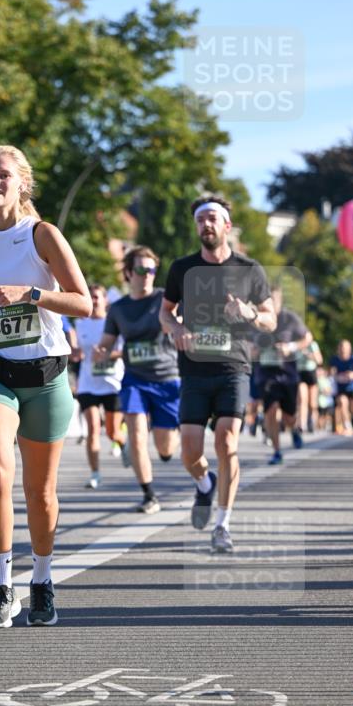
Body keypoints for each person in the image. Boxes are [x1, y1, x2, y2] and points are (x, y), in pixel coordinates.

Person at [0, 144, 91, 628]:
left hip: (46, 375)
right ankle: (1, 586)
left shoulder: (42, 234)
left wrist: (32, 294)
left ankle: (44, 580)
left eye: (3, 174)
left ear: (21, 182)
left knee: (41, 492)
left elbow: (84, 302)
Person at [160, 195, 276, 553]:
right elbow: (165, 312)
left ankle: (223, 524)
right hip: (194, 369)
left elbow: (269, 320)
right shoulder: (182, 268)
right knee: (189, 452)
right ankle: (204, 484)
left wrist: (250, 313)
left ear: (226, 226)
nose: (206, 225)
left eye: (213, 218)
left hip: (233, 366)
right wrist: (175, 329)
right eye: (200, 220)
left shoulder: (249, 269)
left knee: (227, 441)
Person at [94, 248, 180, 511]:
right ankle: (149, 494)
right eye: (141, 270)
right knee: (138, 436)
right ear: (129, 273)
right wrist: (102, 352)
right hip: (134, 380)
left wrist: (178, 324)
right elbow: (107, 343)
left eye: (151, 270)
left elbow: (179, 322)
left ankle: (163, 447)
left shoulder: (166, 298)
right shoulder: (118, 309)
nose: (147, 275)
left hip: (167, 378)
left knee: (166, 447)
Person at [71, 283, 129, 489]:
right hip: (88, 383)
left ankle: (122, 443)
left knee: (113, 432)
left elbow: (123, 350)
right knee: (93, 428)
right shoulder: (80, 323)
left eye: (97, 297)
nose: (94, 301)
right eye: (91, 297)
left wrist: (106, 354)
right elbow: (77, 350)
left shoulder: (113, 322)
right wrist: (75, 353)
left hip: (112, 383)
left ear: (105, 300)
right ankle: (95, 473)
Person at [257, 286, 312, 465]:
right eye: (268, 300)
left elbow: (308, 338)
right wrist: (256, 350)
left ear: (280, 301)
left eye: (274, 300)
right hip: (267, 372)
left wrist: (291, 347)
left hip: (288, 373)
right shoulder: (256, 319)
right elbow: (248, 344)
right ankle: (277, 451)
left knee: (289, 416)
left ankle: (294, 429)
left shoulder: (290, 318)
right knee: (270, 410)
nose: (271, 303)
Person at [329, 339, 353, 435]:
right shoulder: (335, 360)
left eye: (345, 348)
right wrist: (335, 376)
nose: (343, 350)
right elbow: (331, 372)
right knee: (342, 402)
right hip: (341, 389)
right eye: (341, 348)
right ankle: (347, 426)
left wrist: (352, 375)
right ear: (338, 349)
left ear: (349, 349)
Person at [296, 336, 323, 434]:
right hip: (300, 372)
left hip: (311, 372)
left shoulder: (313, 345)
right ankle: (302, 425)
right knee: (302, 399)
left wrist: (308, 354)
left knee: (312, 403)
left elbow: (319, 360)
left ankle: (312, 421)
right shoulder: (296, 344)